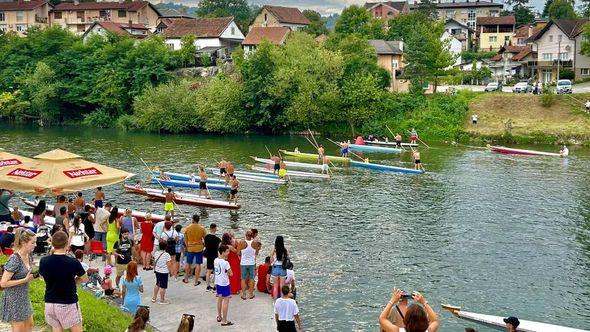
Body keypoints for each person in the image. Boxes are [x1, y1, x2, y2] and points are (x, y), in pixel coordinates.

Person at [39, 231, 88, 332]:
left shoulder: (43, 260)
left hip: (50, 302)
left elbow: (42, 276)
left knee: (56, 329)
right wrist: (73, 281)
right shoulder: (73, 262)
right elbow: (85, 279)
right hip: (68, 301)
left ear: (52, 243)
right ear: (67, 244)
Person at [0, 228, 36, 331]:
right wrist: (25, 280)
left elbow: (25, 273)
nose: (35, 245)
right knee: (19, 329)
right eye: (33, 242)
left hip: (24, 296)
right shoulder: (15, 259)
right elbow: (3, 283)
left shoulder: (28, 255)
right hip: (13, 298)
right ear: (24, 242)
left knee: (29, 326)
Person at [183, 214, 206, 285]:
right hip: (199, 248)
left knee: (188, 263)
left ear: (193, 219)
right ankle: (196, 281)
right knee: (198, 264)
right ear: (198, 220)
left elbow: (185, 238)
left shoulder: (188, 228)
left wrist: (187, 245)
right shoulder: (202, 228)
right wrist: (203, 245)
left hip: (190, 247)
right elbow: (205, 239)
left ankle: (186, 278)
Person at [238, 230, 260, 300]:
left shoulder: (241, 242)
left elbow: (238, 253)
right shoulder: (255, 243)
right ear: (252, 236)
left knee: (243, 279)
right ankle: (251, 294)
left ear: (245, 235)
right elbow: (256, 253)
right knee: (251, 278)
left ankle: (244, 295)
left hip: (243, 263)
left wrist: (242, 257)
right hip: (252, 263)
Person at [215, 245, 233, 326]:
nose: (228, 253)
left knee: (219, 299)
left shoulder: (216, 260)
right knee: (226, 301)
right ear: (223, 252)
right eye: (227, 251)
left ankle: (219, 316)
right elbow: (231, 274)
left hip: (218, 282)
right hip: (225, 283)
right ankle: (224, 320)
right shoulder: (226, 263)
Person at [270, 236, 289, 300]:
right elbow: (287, 258)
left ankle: (275, 301)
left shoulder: (274, 249)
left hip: (275, 268)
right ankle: (282, 300)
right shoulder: (284, 249)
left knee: (275, 286)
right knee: (282, 286)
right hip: (282, 268)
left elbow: (271, 260)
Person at [204, 223, 221, 291]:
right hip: (215, 256)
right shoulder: (218, 239)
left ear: (210, 228)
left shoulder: (206, 237)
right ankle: (215, 286)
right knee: (215, 272)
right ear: (215, 229)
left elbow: (205, 245)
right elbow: (219, 249)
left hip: (209, 255)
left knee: (208, 271)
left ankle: (208, 286)